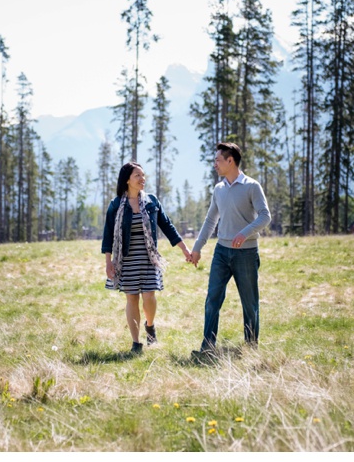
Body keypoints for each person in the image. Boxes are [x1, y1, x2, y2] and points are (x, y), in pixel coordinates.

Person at [189, 142, 271, 359]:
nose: (214, 164)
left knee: (249, 302)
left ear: (230, 160)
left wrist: (245, 233)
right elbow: (210, 221)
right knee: (212, 298)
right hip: (221, 252)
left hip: (246, 253)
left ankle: (251, 347)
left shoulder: (252, 186)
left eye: (218, 160)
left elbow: (265, 216)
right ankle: (208, 346)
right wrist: (197, 248)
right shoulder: (219, 189)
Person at [101, 162, 192, 355]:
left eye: (143, 175)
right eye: (138, 176)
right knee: (131, 298)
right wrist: (108, 262)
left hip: (150, 259)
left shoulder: (151, 201)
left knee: (149, 297)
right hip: (126, 260)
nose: (143, 179)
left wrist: (184, 248)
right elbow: (108, 234)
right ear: (127, 180)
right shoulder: (116, 204)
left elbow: (167, 226)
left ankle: (150, 326)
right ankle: (136, 343)